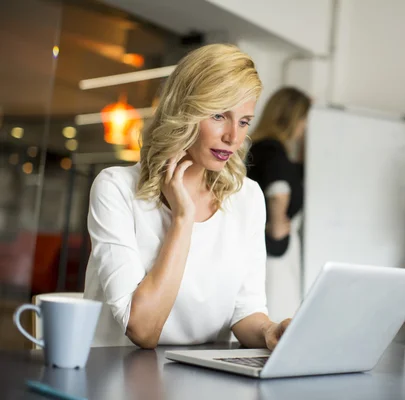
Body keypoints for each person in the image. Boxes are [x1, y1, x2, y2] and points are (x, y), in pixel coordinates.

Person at [83, 44, 291, 349]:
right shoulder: (115, 188)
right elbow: (142, 329)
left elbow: (245, 310)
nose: (233, 137)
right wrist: (183, 218)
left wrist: (269, 332)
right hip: (116, 378)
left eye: (244, 121)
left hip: (203, 380)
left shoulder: (247, 197)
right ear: (184, 111)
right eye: (219, 115)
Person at [246, 87, 311, 322]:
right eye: (304, 120)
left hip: (265, 245)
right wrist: (277, 224)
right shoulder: (274, 150)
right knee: (277, 313)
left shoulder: (262, 147)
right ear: (293, 119)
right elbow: (278, 190)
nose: (304, 128)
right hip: (274, 249)